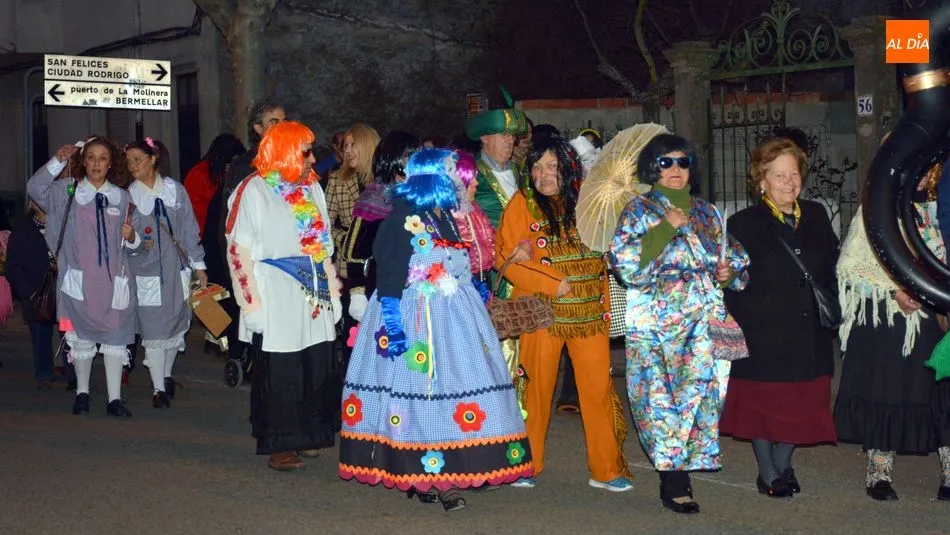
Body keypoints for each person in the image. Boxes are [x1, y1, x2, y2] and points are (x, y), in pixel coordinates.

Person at [339, 148, 533, 512]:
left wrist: (476, 300)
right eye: (452, 174)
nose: (460, 180)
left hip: (454, 320)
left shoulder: (444, 216)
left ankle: (441, 471)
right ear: (434, 178)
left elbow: (459, 266)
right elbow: (390, 276)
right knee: (420, 396)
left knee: (452, 396)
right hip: (416, 319)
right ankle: (432, 476)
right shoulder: (401, 218)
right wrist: (394, 325)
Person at [608, 133, 749, 513]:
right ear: (652, 168)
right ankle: (674, 480)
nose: (675, 169)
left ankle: (683, 465)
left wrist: (727, 274)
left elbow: (736, 260)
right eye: (665, 162)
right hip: (655, 326)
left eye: (682, 162)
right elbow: (625, 266)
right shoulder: (638, 211)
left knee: (700, 397)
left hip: (701, 323)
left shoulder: (708, 213)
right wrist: (665, 227)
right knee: (660, 400)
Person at [496, 135, 632, 492]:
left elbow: (612, 244)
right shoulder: (522, 204)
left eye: (552, 166)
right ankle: (525, 463)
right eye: (537, 167)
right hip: (542, 314)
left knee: (598, 390)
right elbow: (505, 258)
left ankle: (607, 469)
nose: (543, 175)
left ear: (568, 168)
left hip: (589, 314)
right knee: (535, 390)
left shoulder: (590, 201)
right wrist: (551, 282)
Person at [721, 137, 840, 497]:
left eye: (794, 173)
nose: (789, 182)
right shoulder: (743, 223)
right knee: (764, 405)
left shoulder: (816, 214)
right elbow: (734, 280)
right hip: (764, 332)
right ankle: (768, 470)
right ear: (762, 181)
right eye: (779, 175)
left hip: (809, 331)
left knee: (804, 402)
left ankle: (784, 461)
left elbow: (831, 265)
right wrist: (727, 277)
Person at [225, 121, 343, 471]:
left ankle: (308, 434)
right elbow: (238, 252)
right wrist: (251, 305)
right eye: (306, 152)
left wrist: (333, 292)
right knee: (282, 371)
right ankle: (280, 443)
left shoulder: (312, 188)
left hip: (314, 291)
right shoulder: (253, 190)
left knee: (315, 365)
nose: (313, 159)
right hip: (274, 292)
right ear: (286, 152)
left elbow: (324, 247)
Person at [835, 161, 950, 501]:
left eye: (929, 168)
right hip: (887, 317)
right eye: (915, 166)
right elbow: (852, 264)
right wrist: (893, 291)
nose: (923, 174)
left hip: (935, 317)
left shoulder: (938, 207)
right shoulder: (876, 208)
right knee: (886, 388)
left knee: (940, 393)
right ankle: (879, 471)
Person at [27, 136, 141, 417]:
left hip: (114, 283)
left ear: (110, 163)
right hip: (80, 281)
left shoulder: (123, 198)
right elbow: (34, 188)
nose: (96, 163)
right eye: (91, 157)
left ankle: (115, 400)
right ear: (83, 161)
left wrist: (133, 238)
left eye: (103, 158)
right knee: (81, 340)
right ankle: (82, 394)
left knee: (115, 340)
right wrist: (58, 161)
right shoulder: (67, 191)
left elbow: (137, 245)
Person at [126, 138, 206, 408]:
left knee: (176, 325)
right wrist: (133, 240)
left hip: (178, 270)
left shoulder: (175, 191)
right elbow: (126, 242)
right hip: (145, 272)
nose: (132, 165)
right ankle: (158, 388)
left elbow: (189, 229)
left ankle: (167, 375)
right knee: (154, 330)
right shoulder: (129, 198)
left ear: (153, 159)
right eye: (129, 161)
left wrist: (199, 266)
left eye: (137, 159)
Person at [206, 101, 285, 359]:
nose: (281, 127)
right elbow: (231, 218)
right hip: (254, 257)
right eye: (273, 122)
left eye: (283, 121)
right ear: (258, 128)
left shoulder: (292, 161)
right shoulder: (245, 166)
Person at [341, 131, 421, 324]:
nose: (414, 162)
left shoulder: (420, 195)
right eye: (408, 156)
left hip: (417, 286)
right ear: (393, 159)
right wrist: (357, 291)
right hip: (383, 286)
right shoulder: (375, 197)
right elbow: (355, 250)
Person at [5, 201, 57, 389]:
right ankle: (44, 373)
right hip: (35, 291)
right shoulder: (22, 231)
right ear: (32, 204)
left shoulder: (62, 224)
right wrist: (29, 292)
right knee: (40, 333)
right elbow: (13, 266)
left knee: (70, 334)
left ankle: (74, 374)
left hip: (63, 287)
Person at [183, 133, 246, 239]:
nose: (231, 167)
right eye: (229, 162)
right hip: (205, 237)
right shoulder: (198, 174)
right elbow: (196, 215)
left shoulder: (235, 173)